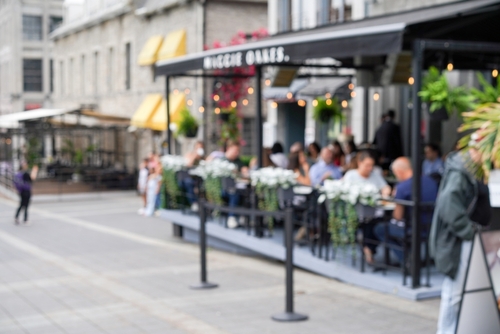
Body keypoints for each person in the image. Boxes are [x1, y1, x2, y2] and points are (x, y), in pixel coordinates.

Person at [429, 147, 491, 334]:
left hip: (467, 238)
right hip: (460, 241)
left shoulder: (469, 170)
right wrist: (468, 231)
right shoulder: (462, 172)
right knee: (455, 290)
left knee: (457, 289)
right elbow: (449, 204)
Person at [373, 157, 438, 264]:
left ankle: (406, 259)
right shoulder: (430, 181)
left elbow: (397, 216)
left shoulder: (402, 187)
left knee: (380, 229)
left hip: (412, 230)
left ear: (399, 171)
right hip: (431, 226)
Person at [343, 150, 391, 262]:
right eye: (367, 165)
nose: (370, 168)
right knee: (369, 224)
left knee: (380, 223)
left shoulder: (375, 175)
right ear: (360, 163)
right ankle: (368, 250)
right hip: (356, 212)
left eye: (371, 165)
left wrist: (385, 192)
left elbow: (385, 187)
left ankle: (368, 249)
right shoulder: (351, 175)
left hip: (374, 212)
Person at [221, 142, 246, 228]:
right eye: (235, 151)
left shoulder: (238, 161)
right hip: (223, 188)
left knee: (245, 193)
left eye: (238, 151)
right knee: (233, 193)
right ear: (229, 149)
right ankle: (231, 218)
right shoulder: (222, 160)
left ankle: (243, 217)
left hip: (236, 186)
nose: (237, 153)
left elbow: (244, 170)